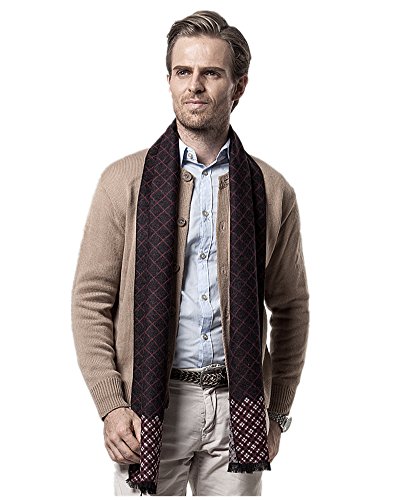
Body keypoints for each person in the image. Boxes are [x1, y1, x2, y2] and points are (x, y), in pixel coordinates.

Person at [71, 10, 309, 497]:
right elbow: (90, 300)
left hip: (239, 406)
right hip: (149, 406)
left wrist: (277, 411)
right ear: (169, 80)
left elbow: (291, 308)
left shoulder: (271, 190)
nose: (194, 85)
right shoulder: (123, 181)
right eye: (183, 71)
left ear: (239, 86)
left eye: (211, 73)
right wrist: (111, 405)